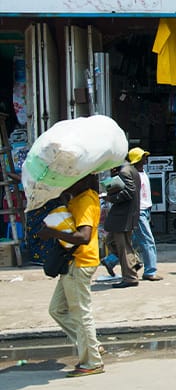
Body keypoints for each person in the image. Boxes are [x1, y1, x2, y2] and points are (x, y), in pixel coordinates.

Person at [40, 175, 104, 377]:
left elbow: (83, 237)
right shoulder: (78, 197)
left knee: (81, 313)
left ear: (83, 181)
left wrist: (52, 233)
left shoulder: (85, 200)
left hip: (81, 262)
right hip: (73, 262)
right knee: (57, 309)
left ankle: (92, 361)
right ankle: (91, 346)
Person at [105, 153, 142, 289]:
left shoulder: (125, 171)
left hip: (123, 216)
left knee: (123, 246)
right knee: (111, 242)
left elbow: (128, 192)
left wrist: (110, 198)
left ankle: (130, 277)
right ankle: (134, 263)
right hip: (125, 216)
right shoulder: (130, 169)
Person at [129, 147, 162, 281]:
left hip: (145, 210)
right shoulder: (134, 175)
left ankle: (111, 260)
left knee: (135, 242)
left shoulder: (143, 173)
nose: (146, 159)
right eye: (143, 157)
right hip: (140, 212)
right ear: (137, 160)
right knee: (148, 241)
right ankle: (150, 270)